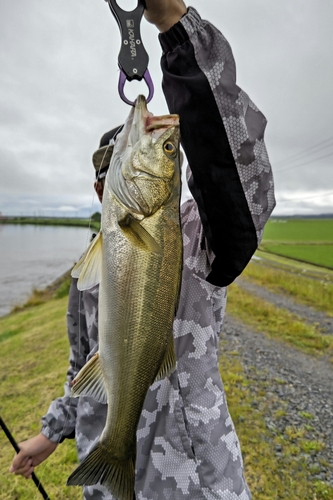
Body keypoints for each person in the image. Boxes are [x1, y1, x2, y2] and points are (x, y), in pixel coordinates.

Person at [10, 1, 275, 499]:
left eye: (158, 156)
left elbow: (239, 174)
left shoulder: (199, 234)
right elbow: (86, 365)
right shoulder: (86, 270)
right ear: (101, 189)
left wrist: (175, 29)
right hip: (107, 475)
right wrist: (50, 432)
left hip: (194, 481)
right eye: (112, 167)